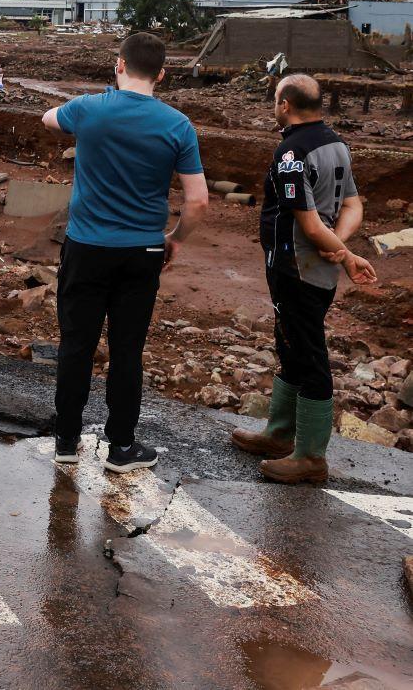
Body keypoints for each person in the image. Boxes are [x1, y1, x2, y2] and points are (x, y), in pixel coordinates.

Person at [41, 32, 209, 473]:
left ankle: (66, 440)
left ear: (118, 65)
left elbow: (47, 118)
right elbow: (198, 202)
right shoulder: (177, 125)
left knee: (76, 343)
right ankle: (121, 448)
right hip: (143, 249)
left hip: (86, 246)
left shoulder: (88, 109)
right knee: (127, 348)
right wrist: (175, 238)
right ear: (163, 74)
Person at [231, 74, 376, 484]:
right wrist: (340, 245)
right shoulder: (336, 144)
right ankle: (279, 435)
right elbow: (353, 204)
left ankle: (311, 457)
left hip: (296, 268)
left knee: (308, 351)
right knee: (290, 342)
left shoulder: (291, 153)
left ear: (285, 104)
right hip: (319, 267)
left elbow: (310, 225)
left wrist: (340, 252)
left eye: (276, 98)